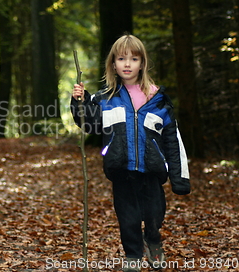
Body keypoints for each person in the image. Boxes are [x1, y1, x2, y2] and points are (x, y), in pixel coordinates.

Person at [71, 34, 190, 272]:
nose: (127, 64)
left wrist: (180, 178)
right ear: (113, 64)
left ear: (142, 63)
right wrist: (79, 102)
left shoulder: (158, 100)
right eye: (122, 58)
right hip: (121, 170)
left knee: (155, 215)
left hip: (151, 171)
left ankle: (153, 240)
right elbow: (90, 123)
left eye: (134, 59)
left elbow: (172, 141)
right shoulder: (105, 98)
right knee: (128, 219)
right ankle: (133, 255)